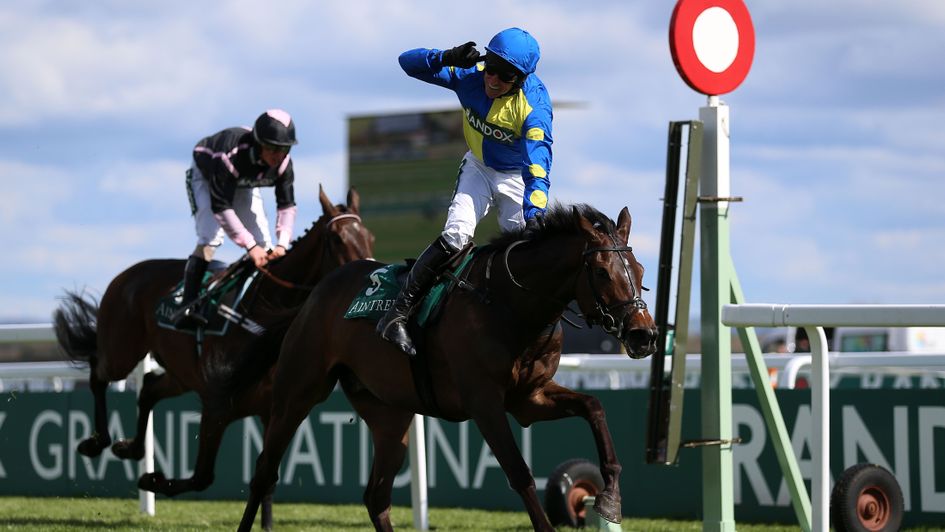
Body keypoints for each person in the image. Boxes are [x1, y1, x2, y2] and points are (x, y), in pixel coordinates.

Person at [376, 28, 553, 356]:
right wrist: (445, 56)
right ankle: (396, 315)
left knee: (526, 248)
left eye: (505, 76)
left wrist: (535, 216)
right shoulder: (470, 75)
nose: (493, 80)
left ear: (521, 79)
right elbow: (406, 63)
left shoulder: (534, 109)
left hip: (516, 176)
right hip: (479, 168)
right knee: (456, 234)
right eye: (492, 69)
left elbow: (537, 171)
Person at [172, 109, 299, 328]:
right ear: (258, 144)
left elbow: (287, 206)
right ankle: (187, 306)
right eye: (272, 148)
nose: (278, 156)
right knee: (210, 238)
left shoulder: (284, 164)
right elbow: (220, 207)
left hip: (242, 182)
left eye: (284, 149)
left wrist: (282, 244)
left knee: (265, 246)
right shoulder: (231, 156)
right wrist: (250, 246)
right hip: (207, 175)